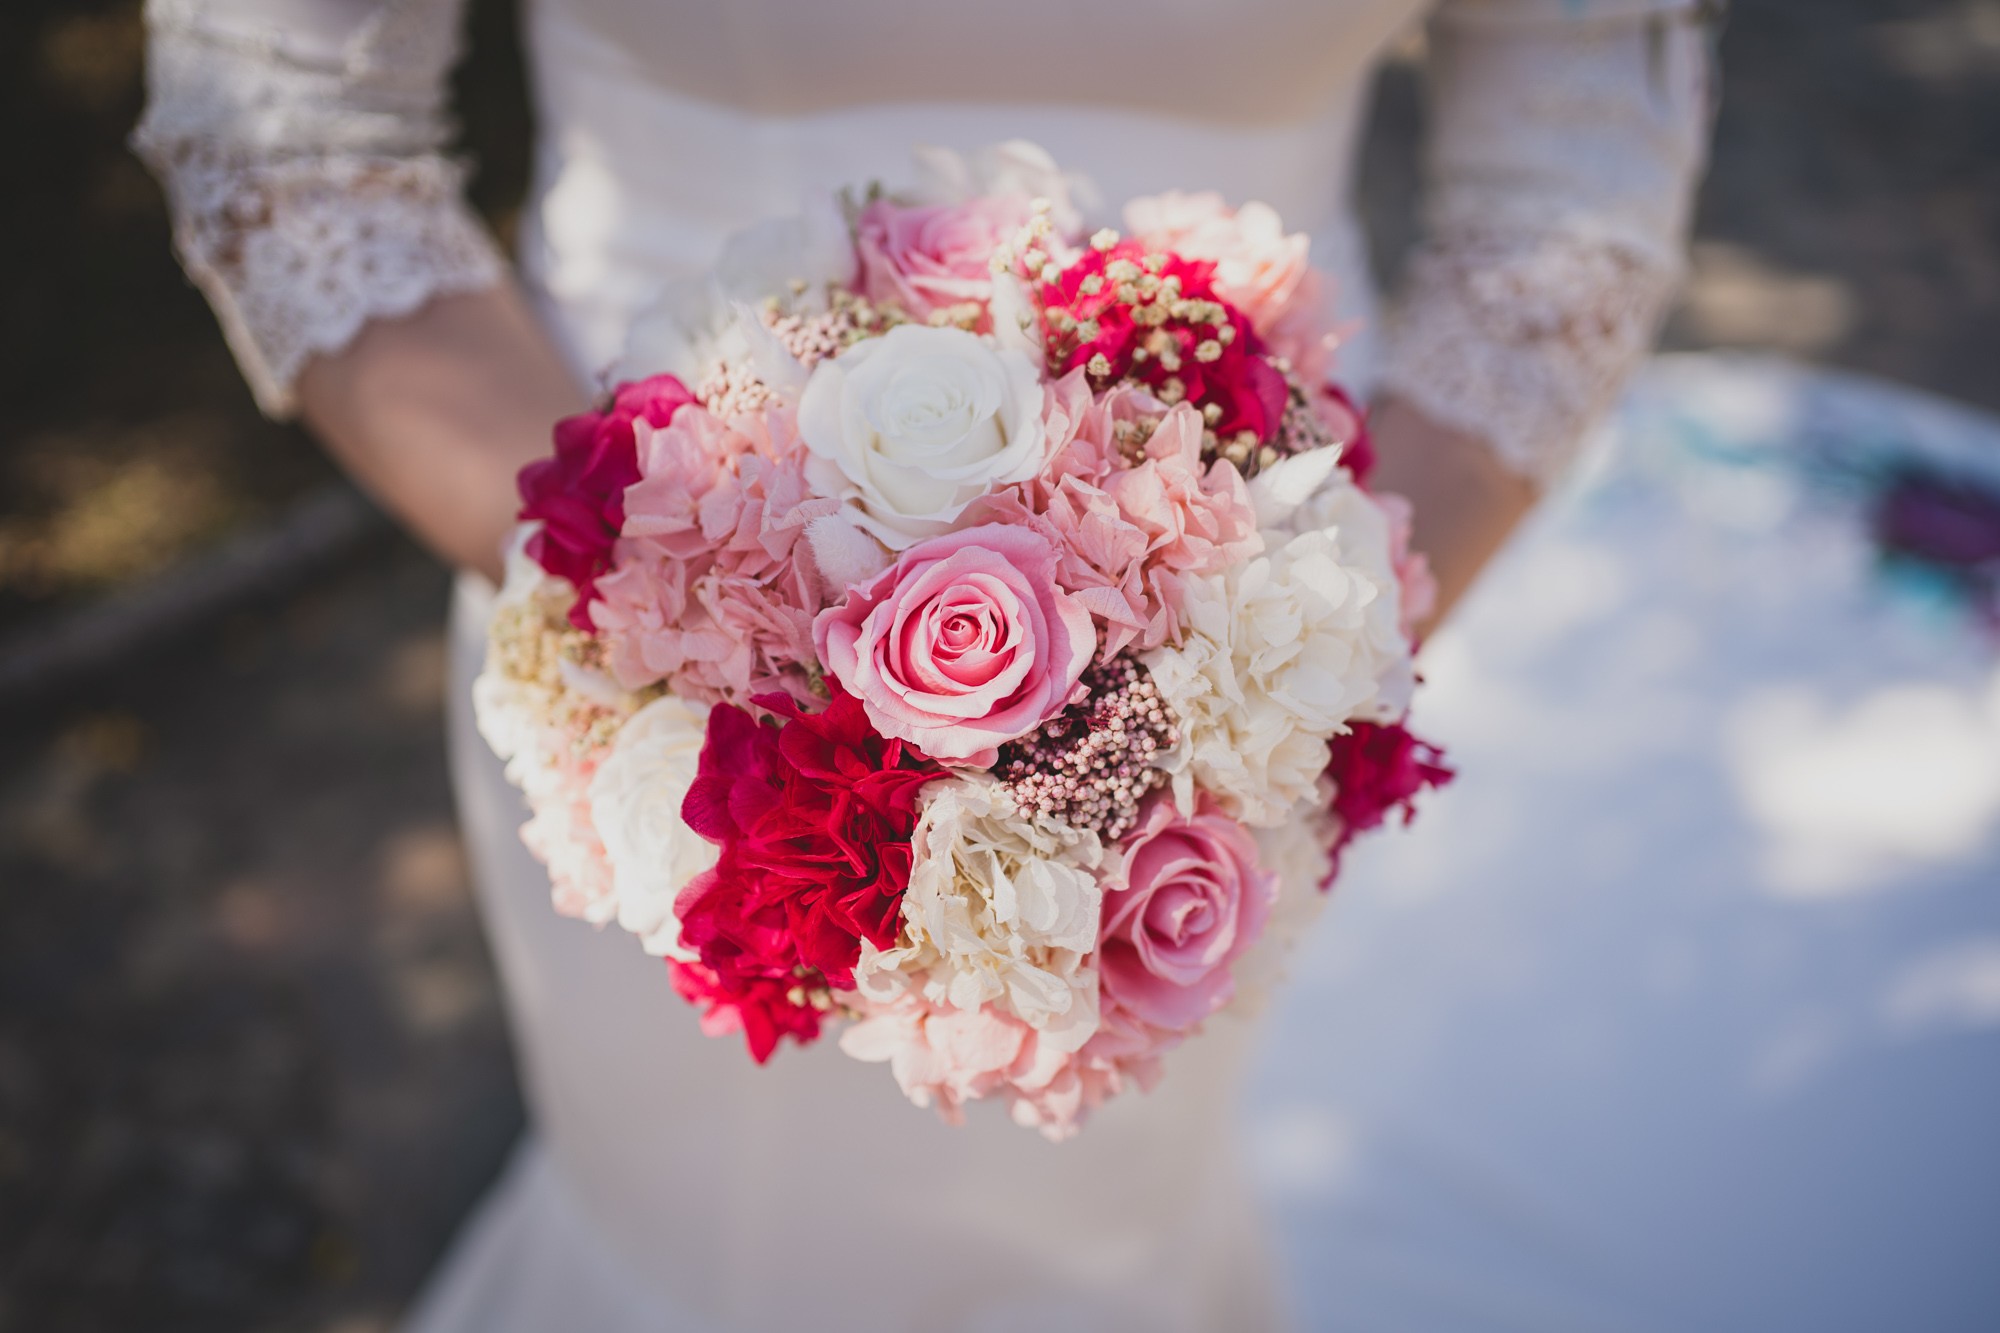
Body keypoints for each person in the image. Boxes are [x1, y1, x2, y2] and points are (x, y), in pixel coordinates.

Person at [134, 1, 1717, 1328]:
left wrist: (1287, 636)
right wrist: (653, 612)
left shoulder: (1252, 659)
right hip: (633, 620)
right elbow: (287, 128)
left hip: (1247, 635)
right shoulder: (637, 625)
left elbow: (1570, 170)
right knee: (706, 1232)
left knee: (1112, 1219)